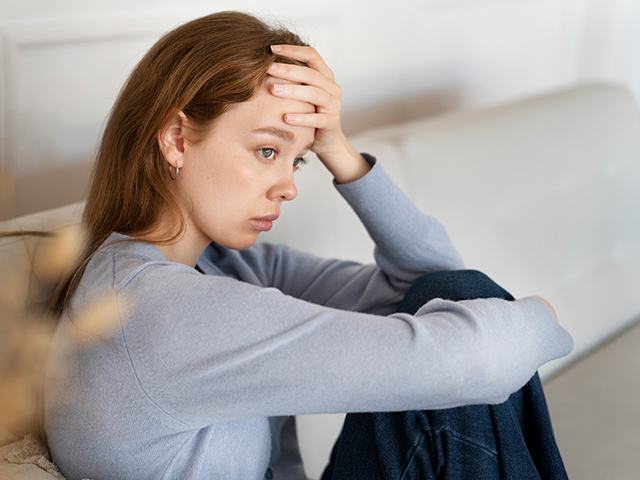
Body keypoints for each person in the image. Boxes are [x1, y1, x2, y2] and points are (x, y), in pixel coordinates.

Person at [43, 10, 573, 480]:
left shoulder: (229, 265)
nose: (289, 186)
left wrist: (337, 147)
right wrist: (543, 316)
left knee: (460, 292)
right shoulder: (152, 310)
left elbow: (433, 281)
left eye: (297, 159)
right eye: (267, 150)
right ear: (177, 139)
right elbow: (471, 362)